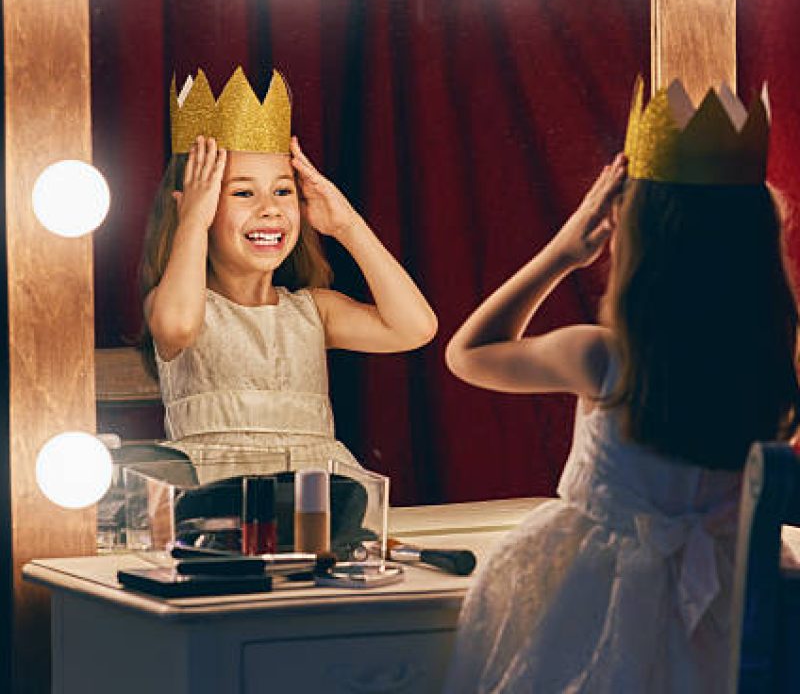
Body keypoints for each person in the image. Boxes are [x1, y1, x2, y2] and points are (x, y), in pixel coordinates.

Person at [443, 79, 800, 693]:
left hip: (598, 610)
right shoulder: (774, 366)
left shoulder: (603, 358)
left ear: (638, 241)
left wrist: (562, 252)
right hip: (731, 609)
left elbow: (467, 353)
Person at [139, 66, 437, 479]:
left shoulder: (314, 311)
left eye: (283, 191)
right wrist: (191, 221)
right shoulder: (179, 304)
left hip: (316, 504)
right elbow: (176, 323)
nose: (270, 208)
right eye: (243, 192)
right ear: (192, 206)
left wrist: (347, 225)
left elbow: (416, 327)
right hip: (218, 504)